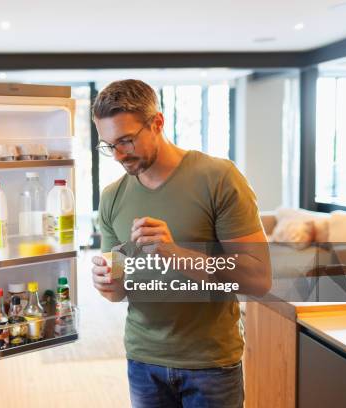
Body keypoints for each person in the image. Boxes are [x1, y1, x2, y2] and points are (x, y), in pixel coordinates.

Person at [91, 79, 271, 408]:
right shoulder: (111, 198)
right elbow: (117, 291)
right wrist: (106, 281)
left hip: (211, 364)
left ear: (157, 123)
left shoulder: (218, 178)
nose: (118, 155)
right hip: (143, 361)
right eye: (109, 145)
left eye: (126, 141)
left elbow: (258, 279)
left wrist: (174, 253)